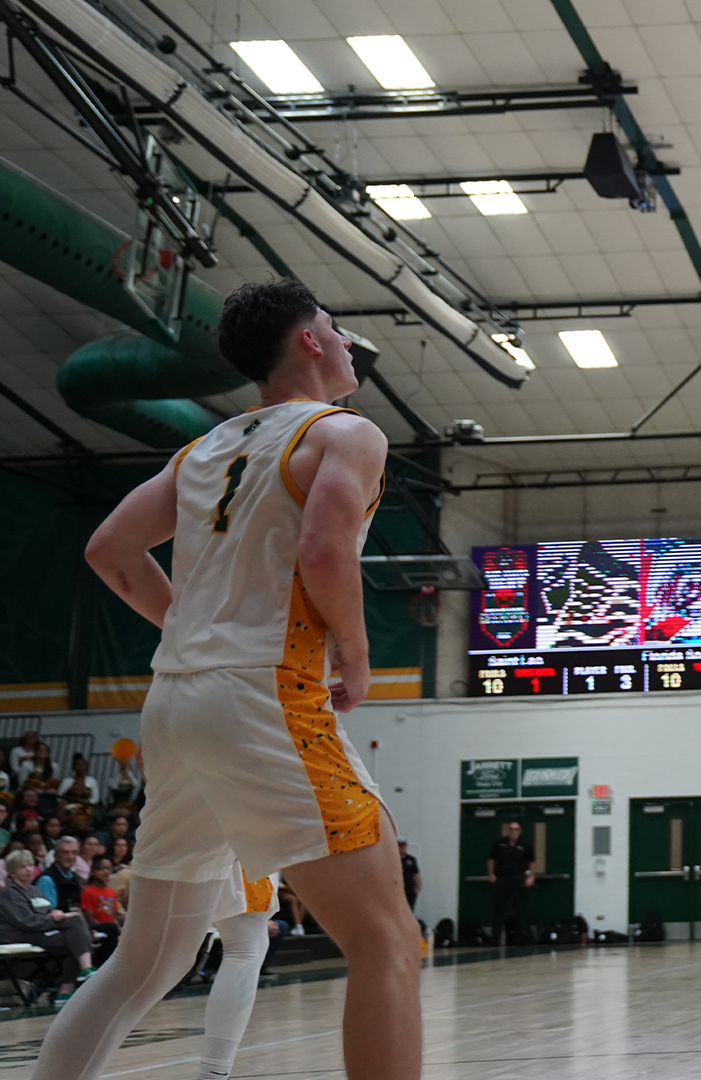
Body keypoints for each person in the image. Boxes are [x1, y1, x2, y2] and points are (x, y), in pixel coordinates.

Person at [42, 279, 419, 1080]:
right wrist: (355, 652)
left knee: (142, 965)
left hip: (177, 703)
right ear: (309, 342)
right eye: (335, 324)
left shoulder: (204, 448)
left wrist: (188, 626)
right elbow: (323, 551)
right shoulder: (346, 432)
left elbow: (108, 550)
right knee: (387, 939)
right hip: (262, 697)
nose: (347, 340)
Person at [198, 873, 278, 1080]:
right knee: (245, 946)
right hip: (232, 848)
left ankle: (214, 1073)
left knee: (250, 943)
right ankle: (213, 1074)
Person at [0, 849, 92, 998]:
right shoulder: (9, 893)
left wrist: (56, 913)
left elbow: (46, 910)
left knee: (77, 930)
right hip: (20, 934)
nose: (29, 869)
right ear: (12, 872)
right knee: (78, 939)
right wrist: (54, 918)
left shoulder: (34, 890)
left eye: (30, 865)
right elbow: (27, 922)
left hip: (41, 930)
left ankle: (77, 976)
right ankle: (68, 984)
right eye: (22, 867)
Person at [486, 821, 535, 947]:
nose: (514, 832)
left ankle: (522, 939)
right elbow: (491, 859)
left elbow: (532, 861)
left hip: (518, 879)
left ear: (520, 831)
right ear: (508, 831)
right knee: (499, 910)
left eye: (516, 829)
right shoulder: (500, 843)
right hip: (502, 879)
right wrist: (491, 875)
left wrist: (531, 877)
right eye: (511, 829)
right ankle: (495, 939)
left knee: (520, 909)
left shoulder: (525, 844)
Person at [79, 857, 122, 966]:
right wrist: (109, 928)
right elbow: (89, 917)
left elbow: (113, 916)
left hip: (110, 927)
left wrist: (120, 930)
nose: (106, 872)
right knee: (111, 929)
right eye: (101, 869)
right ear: (93, 872)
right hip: (96, 928)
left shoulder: (111, 892)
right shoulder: (88, 891)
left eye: (108, 869)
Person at [398, 839, 420, 913]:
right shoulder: (393, 859)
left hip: (409, 889)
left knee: (409, 910)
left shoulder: (411, 859)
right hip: (397, 890)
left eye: (403, 846)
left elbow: (416, 874)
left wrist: (417, 888)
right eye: (399, 846)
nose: (401, 848)